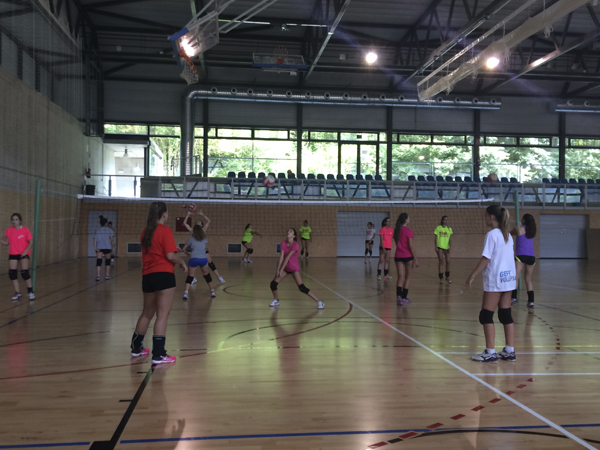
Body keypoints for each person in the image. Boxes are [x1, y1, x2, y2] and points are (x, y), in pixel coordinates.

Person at [130, 202, 188, 364]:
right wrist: (182, 261)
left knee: (146, 313)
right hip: (163, 275)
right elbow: (170, 256)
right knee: (162, 315)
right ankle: (159, 354)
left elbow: (157, 250)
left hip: (148, 276)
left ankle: (136, 348)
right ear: (164, 214)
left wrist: (173, 251)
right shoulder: (165, 230)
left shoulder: (145, 232)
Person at [466, 205, 517, 363]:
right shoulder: (507, 234)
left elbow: (486, 258)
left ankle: (490, 353)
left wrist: (472, 275)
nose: (484, 218)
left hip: (496, 279)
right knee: (505, 314)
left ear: (492, 217)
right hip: (508, 279)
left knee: (486, 315)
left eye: (486, 216)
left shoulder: (492, 235)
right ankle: (509, 351)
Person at [269, 228, 323, 309]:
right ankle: (276, 300)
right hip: (286, 268)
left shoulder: (295, 245)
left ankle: (319, 301)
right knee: (273, 284)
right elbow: (281, 257)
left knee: (301, 288)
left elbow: (287, 258)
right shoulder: (283, 243)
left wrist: (281, 270)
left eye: (290, 231)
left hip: (293, 268)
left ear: (293, 236)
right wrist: (278, 270)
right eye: (288, 231)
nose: (288, 232)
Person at [182, 210, 225, 284]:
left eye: (199, 222)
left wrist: (202, 215)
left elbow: (208, 221)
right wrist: (188, 215)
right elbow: (184, 223)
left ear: (202, 225)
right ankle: (193, 278)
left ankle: (218, 276)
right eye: (197, 222)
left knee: (210, 263)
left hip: (203, 251)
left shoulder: (203, 230)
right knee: (192, 265)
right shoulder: (193, 230)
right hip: (195, 251)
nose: (198, 222)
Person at [1, 213, 34, 300]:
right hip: (13, 253)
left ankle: (30, 291)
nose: (14, 221)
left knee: (24, 273)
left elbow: (31, 242)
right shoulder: (9, 230)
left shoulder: (25, 230)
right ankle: (18, 293)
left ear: (20, 221)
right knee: (12, 274)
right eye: (13, 219)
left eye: (16, 219)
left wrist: (25, 251)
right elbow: (7, 243)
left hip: (23, 254)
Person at [182, 223, 216, 300]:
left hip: (193, 259)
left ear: (194, 231)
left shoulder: (191, 239)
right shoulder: (204, 239)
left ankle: (185, 293)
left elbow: (183, 249)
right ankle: (212, 291)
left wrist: (188, 254)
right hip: (203, 259)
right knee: (207, 276)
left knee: (190, 277)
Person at [511, 213, 537, 307]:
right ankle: (531, 301)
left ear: (524, 220)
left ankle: (513, 298)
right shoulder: (532, 231)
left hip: (520, 256)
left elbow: (510, 233)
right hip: (531, 256)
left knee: (516, 277)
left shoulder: (519, 229)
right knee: (528, 279)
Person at [394, 213, 419, 304]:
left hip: (398, 256)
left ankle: (398, 297)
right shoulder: (408, 231)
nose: (409, 219)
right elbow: (410, 246)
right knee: (407, 277)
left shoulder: (396, 231)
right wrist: (415, 258)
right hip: (407, 256)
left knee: (400, 277)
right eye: (409, 218)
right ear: (406, 220)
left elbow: (397, 244)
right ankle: (404, 297)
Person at [94, 216, 114, 281]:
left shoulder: (98, 230)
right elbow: (111, 240)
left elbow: (95, 239)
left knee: (99, 261)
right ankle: (107, 275)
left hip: (99, 247)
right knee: (108, 261)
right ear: (106, 223)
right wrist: (112, 247)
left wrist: (95, 248)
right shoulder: (109, 230)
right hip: (107, 247)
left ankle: (98, 276)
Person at [434, 216, 453, 284]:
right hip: (440, 247)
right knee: (441, 261)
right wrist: (436, 246)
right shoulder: (438, 228)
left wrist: (450, 247)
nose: (446, 221)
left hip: (446, 247)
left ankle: (447, 276)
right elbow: (436, 238)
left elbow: (450, 239)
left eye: (447, 220)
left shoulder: (449, 229)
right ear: (442, 220)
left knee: (448, 261)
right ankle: (441, 277)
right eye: (445, 219)